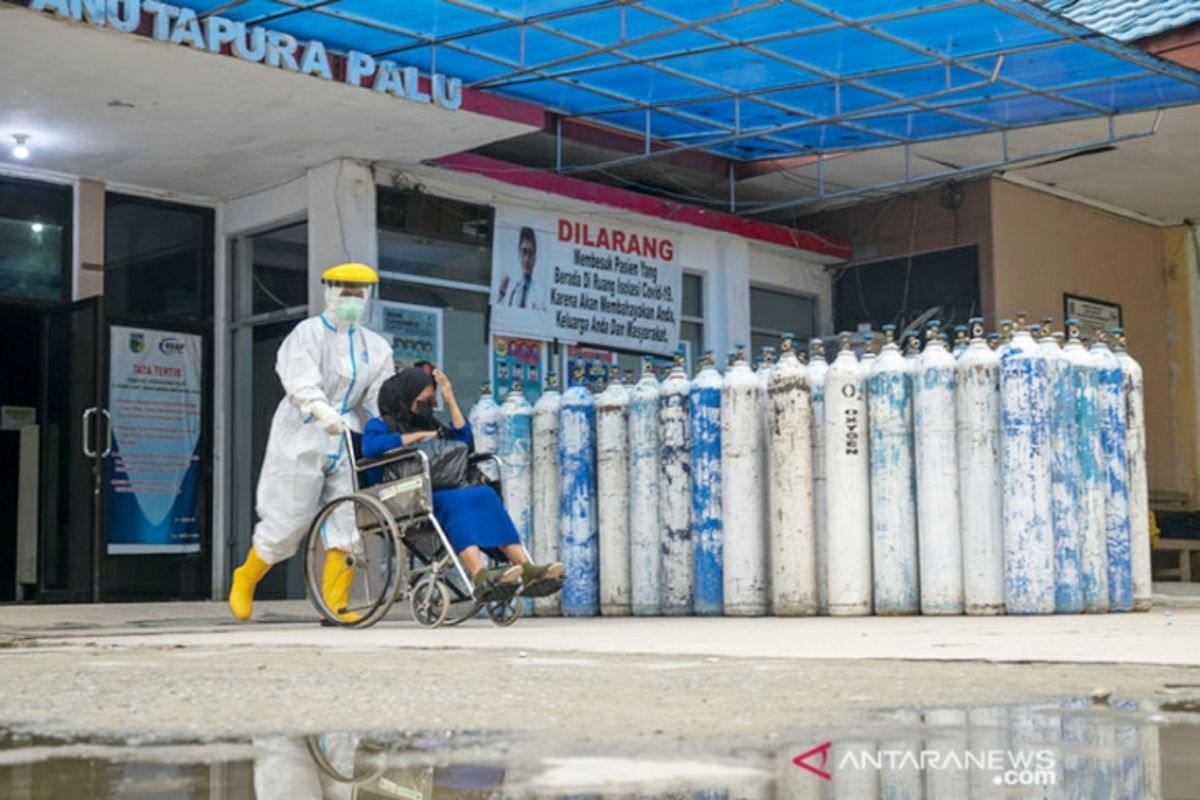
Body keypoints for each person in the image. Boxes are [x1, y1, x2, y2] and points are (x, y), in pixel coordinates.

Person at [228, 263, 395, 623]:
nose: (352, 300)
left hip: (346, 433)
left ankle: (335, 604)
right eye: (346, 292)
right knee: (288, 520)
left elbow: (381, 397)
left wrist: (394, 424)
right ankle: (246, 577)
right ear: (330, 292)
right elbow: (299, 380)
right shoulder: (307, 334)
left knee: (348, 517)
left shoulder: (376, 346)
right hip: (303, 431)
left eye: (359, 294)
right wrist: (321, 410)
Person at [362, 366, 564, 598]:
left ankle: (527, 568)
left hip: (436, 490)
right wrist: (415, 437)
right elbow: (371, 447)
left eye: (431, 398)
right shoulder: (379, 425)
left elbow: (465, 442)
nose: (428, 403)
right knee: (456, 500)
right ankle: (479, 574)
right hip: (402, 494)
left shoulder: (429, 422)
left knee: (484, 494)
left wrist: (451, 400)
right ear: (405, 396)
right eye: (424, 398)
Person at [495, 226, 541, 309]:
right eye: (524, 252)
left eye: (531, 254)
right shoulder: (509, 287)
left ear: (535, 257)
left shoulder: (540, 293)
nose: (527, 259)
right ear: (518, 253)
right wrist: (501, 294)